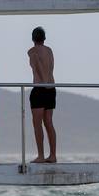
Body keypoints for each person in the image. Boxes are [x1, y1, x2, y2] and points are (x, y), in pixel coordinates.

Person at [28, 26, 56, 163]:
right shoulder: (49, 50)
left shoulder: (32, 51)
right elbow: (50, 67)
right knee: (49, 122)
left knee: (37, 123)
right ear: (44, 38)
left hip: (40, 88)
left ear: (33, 39)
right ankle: (53, 155)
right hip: (51, 88)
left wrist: (43, 82)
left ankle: (40, 155)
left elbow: (37, 66)